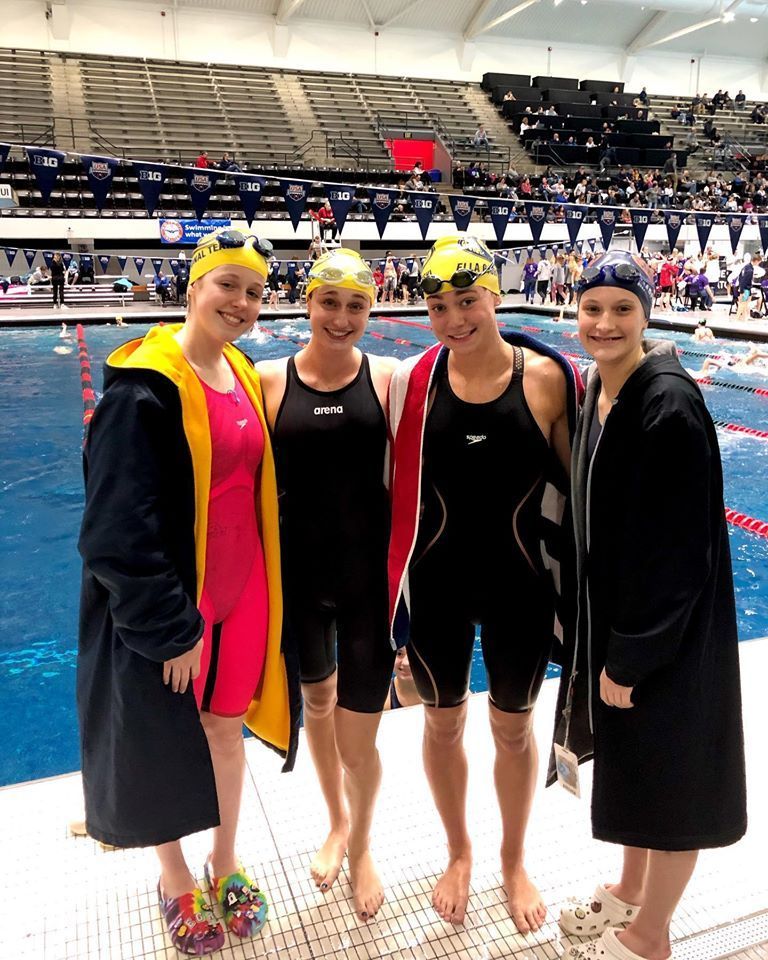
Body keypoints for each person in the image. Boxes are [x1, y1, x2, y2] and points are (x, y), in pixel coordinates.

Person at [77, 227, 298, 956]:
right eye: (227, 284)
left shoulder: (239, 369)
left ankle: (224, 860)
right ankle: (174, 876)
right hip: (182, 607)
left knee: (225, 732)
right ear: (193, 286)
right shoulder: (143, 389)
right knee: (166, 739)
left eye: (254, 291)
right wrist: (169, 628)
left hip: (245, 593)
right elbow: (114, 531)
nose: (241, 302)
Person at [552, 249, 747, 960]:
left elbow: (680, 554)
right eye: (592, 308)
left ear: (646, 314)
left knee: (671, 784)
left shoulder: (667, 404)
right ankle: (629, 890)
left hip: (666, 640)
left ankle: (649, 935)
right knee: (634, 765)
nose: (604, 323)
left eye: (622, 309)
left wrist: (633, 656)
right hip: (624, 627)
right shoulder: (603, 390)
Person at [387, 235, 582, 932]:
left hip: (518, 587)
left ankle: (513, 859)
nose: (453, 319)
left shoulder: (547, 380)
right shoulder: (412, 383)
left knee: (512, 728)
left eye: (467, 301)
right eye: (438, 307)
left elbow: (581, 497)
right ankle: (459, 853)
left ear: (495, 296)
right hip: (437, 585)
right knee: (442, 723)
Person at [256, 248, 397, 922]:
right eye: (329, 302)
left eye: (356, 306)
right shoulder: (268, 381)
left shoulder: (390, 378)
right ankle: (337, 822)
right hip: (299, 581)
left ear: (372, 310)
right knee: (316, 703)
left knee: (360, 737)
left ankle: (362, 845)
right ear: (307, 302)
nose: (341, 318)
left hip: (368, 583)